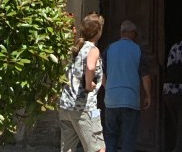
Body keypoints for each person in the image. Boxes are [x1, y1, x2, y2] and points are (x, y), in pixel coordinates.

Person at [102, 20, 152, 152]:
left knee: (111, 137)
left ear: (121, 33)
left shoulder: (109, 48)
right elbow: (145, 75)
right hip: (130, 99)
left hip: (111, 100)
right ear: (132, 33)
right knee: (128, 139)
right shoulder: (138, 49)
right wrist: (148, 95)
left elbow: (100, 72)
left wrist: (108, 88)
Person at [58, 12, 105, 152]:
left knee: (68, 149)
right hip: (83, 107)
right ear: (98, 31)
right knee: (98, 148)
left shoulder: (77, 47)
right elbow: (90, 67)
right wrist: (89, 84)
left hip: (66, 105)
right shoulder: (93, 49)